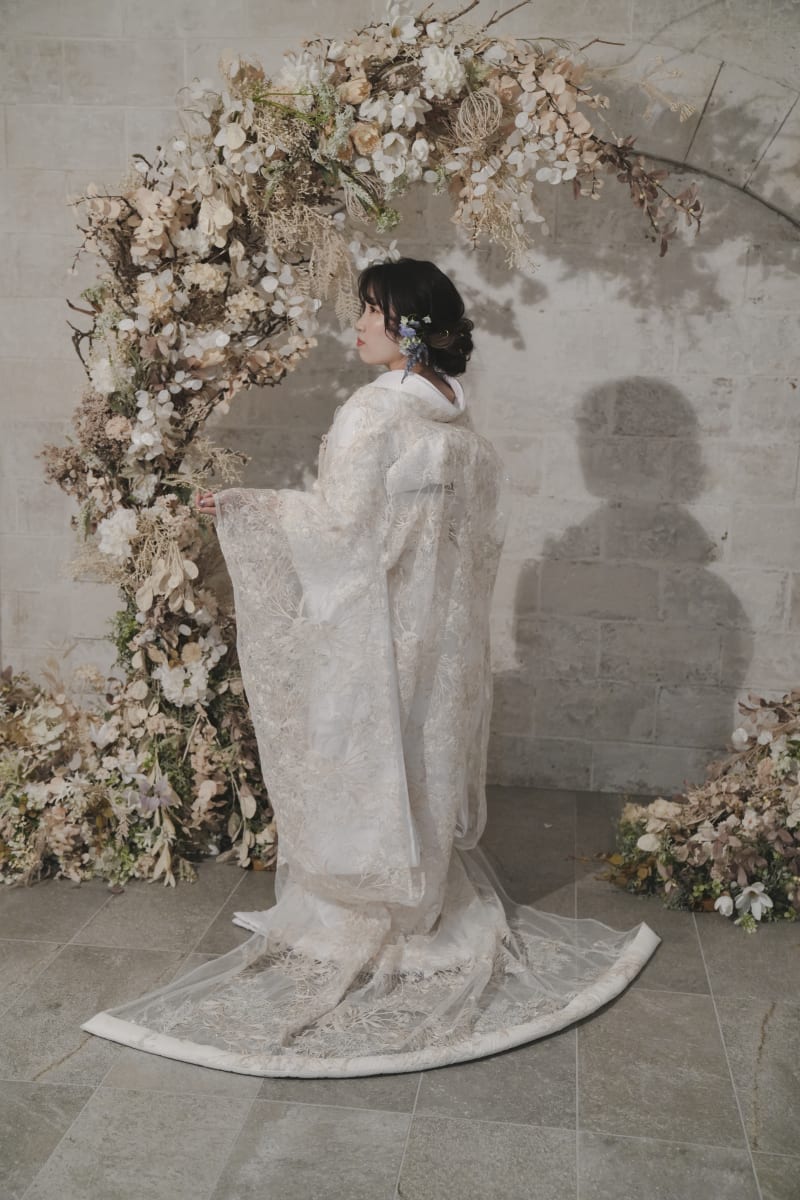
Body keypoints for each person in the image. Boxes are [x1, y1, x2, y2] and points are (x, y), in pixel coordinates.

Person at [82, 258, 660, 1077]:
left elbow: (339, 530)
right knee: (422, 751)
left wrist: (247, 508)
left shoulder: (373, 411)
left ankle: (359, 901)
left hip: (374, 628)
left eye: (370, 310)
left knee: (360, 753)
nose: (355, 324)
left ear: (409, 328)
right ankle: (416, 897)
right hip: (438, 632)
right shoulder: (451, 409)